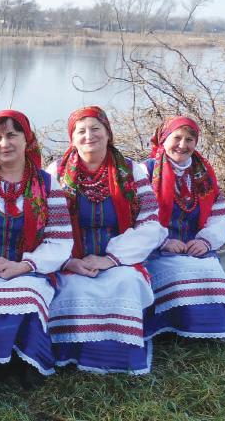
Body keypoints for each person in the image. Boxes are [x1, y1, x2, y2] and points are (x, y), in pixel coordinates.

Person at [0, 111, 73, 387]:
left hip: (28, 268)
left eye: (11, 135)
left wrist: (24, 265)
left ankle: (26, 361)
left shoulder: (46, 183)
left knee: (28, 297)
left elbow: (59, 239)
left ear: (26, 139)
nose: (4, 143)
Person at [45, 106, 167, 374]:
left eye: (95, 129)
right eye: (81, 131)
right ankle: (74, 354)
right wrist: (69, 262)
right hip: (71, 260)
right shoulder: (55, 173)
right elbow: (44, 224)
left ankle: (120, 357)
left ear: (108, 133)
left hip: (119, 259)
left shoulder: (131, 171)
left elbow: (150, 222)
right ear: (72, 138)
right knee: (74, 289)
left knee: (126, 282)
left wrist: (111, 259)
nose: (89, 136)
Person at [143, 116, 225, 341]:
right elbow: (135, 216)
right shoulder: (146, 171)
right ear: (164, 139)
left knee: (209, 269)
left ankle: (209, 330)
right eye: (176, 138)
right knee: (180, 270)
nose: (182, 145)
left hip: (193, 246)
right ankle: (176, 325)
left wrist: (205, 241)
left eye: (189, 139)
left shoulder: (202, 174)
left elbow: (220, 213)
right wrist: (162, 241)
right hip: (154, 249)